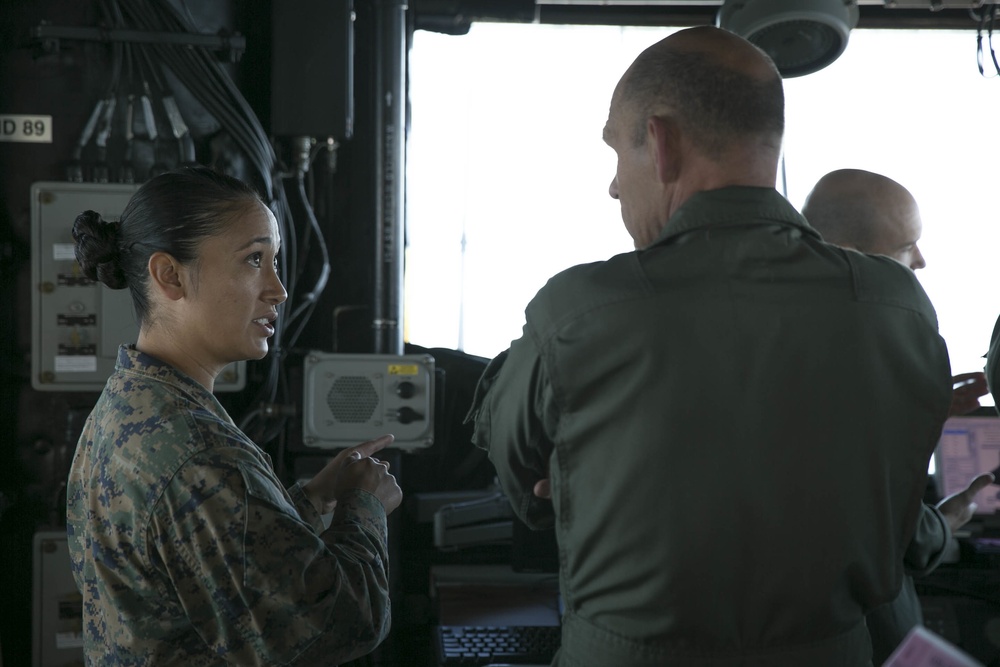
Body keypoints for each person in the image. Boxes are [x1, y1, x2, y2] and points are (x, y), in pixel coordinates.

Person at [466, 26, 956, 667]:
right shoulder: (899, 307)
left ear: (661, 144)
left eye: (617, 152)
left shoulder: (578, 312)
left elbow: (520, 482)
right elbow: (903, 523)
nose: (615, 186)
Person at [66, 166, 402, 666]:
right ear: (170, 275)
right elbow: (339, 624)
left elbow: (203, 559)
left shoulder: (129, 402)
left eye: (274, 261)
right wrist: (362, 506)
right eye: (253, 260)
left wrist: (313, 499)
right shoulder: (197, 452)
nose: (278, 290)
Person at [801, 168, 994, 664]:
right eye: (908, 247)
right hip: (863, 635)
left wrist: (918, 413)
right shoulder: (866, 347)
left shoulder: (785, 344)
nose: (922, 261)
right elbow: (893, 526)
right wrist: (948, 522)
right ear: (853, 258)